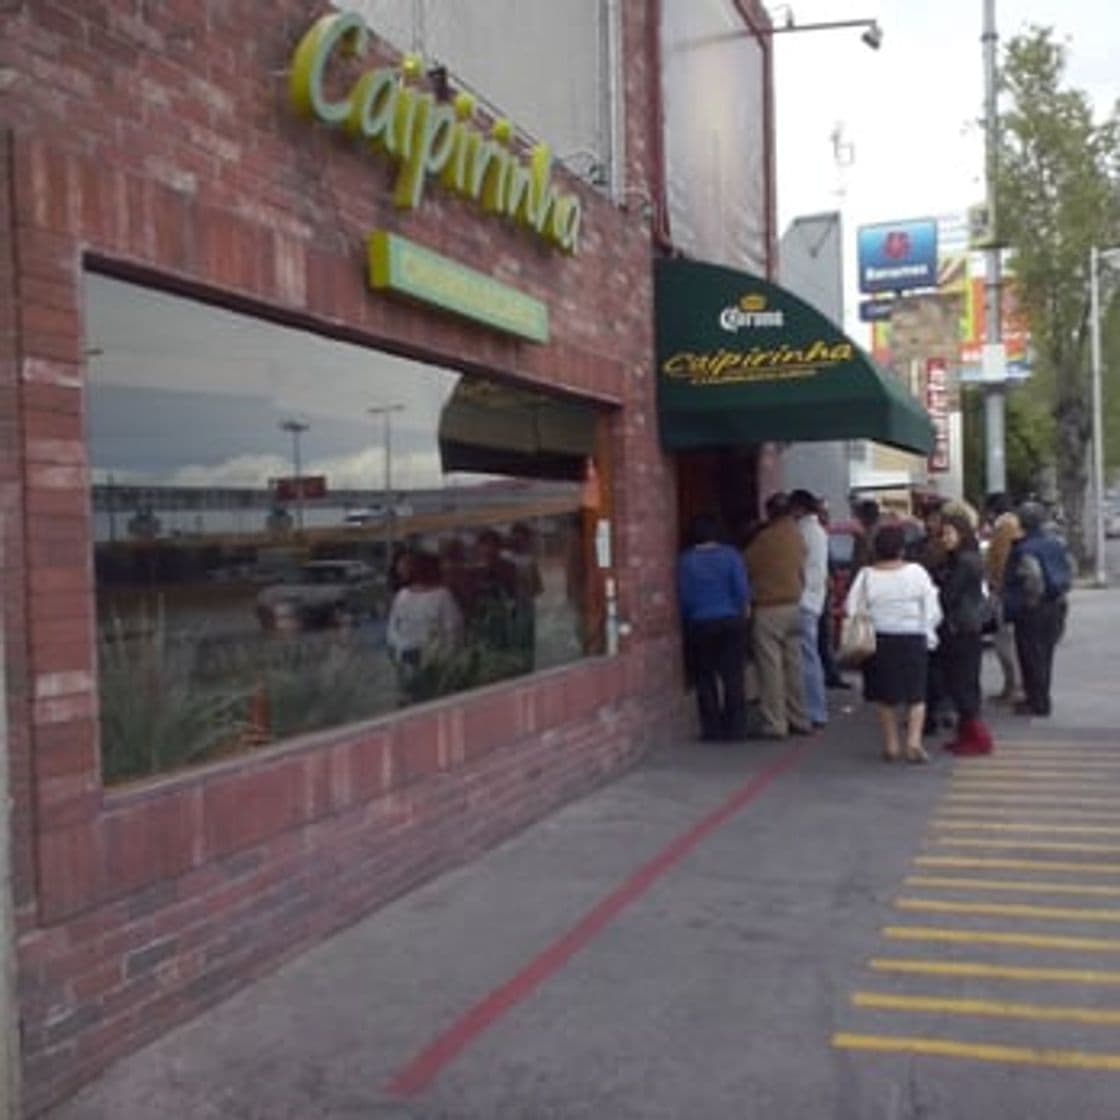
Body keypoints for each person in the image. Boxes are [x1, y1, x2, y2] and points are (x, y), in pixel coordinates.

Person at [844, 522, 942, 763]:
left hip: (880, 640)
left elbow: (852, 607)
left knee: (885, 696)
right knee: (916, 694)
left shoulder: (866, 576)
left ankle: (891, 744)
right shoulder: (917, 573)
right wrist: (927, 631)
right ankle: (914, 742)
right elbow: (931, 607)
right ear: (902, 549)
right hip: (912, 637)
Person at [677, 514, 751, 742]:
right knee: (733, 676)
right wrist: (743, 612)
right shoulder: (731, 556)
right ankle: (737, 727)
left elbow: (684, 596)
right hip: (730, 621)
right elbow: (741, 589)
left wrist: (689, 616)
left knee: (704, 677)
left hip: (700, 623)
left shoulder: (686, 560)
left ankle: (712, 728)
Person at [744, 493, 810, 739]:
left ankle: (775, 722)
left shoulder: (765, 539)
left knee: (771, 668)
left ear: (769, 513)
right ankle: (799, 717)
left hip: (770, 608)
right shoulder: (797, 536)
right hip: (795, 605)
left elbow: (747, 565)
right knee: (794, 666)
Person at [1004, 501, 1073, 717]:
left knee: (1030, 656)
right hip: (1056, 604)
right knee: (1046, 654)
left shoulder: (1024, 548)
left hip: (1033, 608)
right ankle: (1041, 698)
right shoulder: (1056, 543)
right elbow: (1070, 568)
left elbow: (1031, 576)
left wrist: (1025, 602)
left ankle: (1037, 702)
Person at [938, 513, 994, 755]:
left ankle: (977, 737)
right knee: (963, 681)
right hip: (965, 626)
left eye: (949, 533)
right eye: (943, 534)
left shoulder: (964, 562)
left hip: (961, 627)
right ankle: (965, 734)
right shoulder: (965, 559)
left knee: (963, 683)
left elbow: (949, 595)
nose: (944, 539)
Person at [386, 550, 464, 684]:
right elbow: (454, 630)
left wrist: (399, 649)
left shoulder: (402, 595)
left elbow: (392, 629)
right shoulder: (442, 596)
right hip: (435, 660)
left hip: (407, 656)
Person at [789, 489, 829, 729]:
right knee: (809, 655)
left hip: (803, 600)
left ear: (800, 508)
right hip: (814, 599)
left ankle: (814, 710)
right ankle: (815, 709)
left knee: (806, 658)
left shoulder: (802, 532)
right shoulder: (819, 532)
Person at [984, 492, 1024, 704]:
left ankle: (1013, 687)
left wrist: (995, 585)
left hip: (1003, 591)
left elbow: (1001, 560)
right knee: (1005, 641)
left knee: (1005, 642)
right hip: (1008, 590)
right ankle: (1011, 686)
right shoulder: (1013, 524)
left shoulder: (1004, 527)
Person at [816, 500, 850, 690]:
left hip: (823, 593)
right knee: (823, 638)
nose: (827, 516)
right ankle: (830, 674)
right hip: (819, 593)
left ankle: (830, 673)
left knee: (825, 637)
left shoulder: (821, 535)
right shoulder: (817, 535)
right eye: (824, 512)